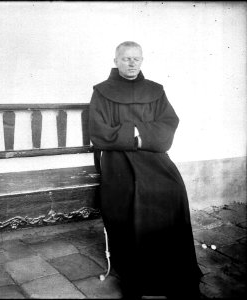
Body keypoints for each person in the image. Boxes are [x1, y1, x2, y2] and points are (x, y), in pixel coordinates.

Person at [89, 41, 203, 298]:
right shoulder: (101, 91)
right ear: (116, 60)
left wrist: (141, 138)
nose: (131, 63)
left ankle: (171, 269)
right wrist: (135, 134)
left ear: (142, 61)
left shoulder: (155, 90)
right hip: (117, 159)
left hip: (152, 156)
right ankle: (137, 276)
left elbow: (169, 122)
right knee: (132, 192)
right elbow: (98, 131)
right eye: (126, 59)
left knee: (172, 187)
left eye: (136, 59)